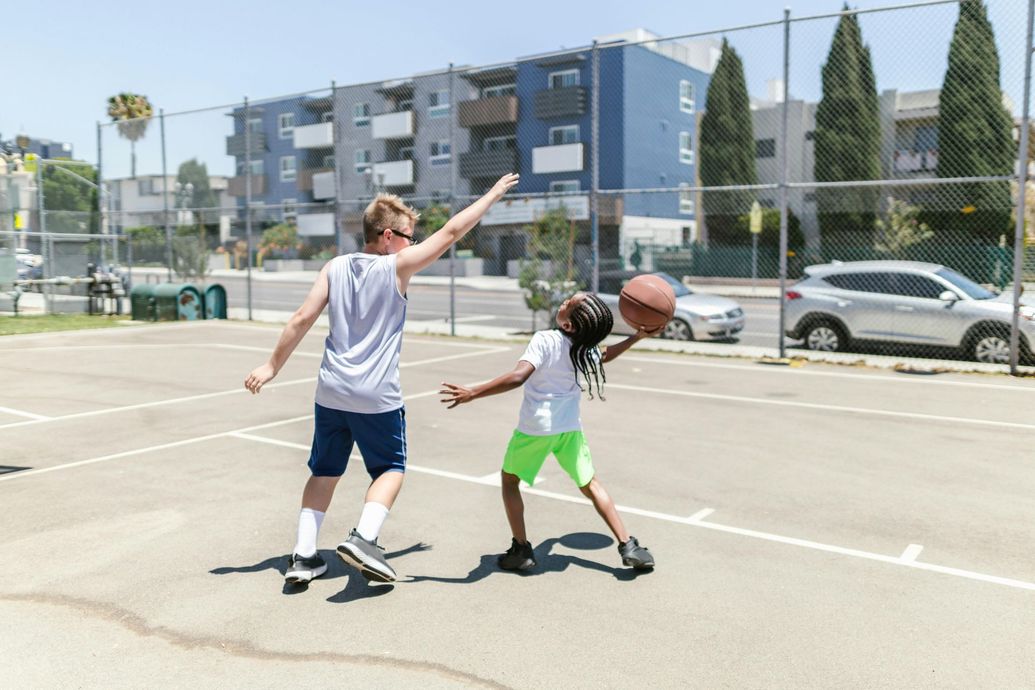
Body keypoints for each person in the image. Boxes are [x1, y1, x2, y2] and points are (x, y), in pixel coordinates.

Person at [245, 173, 520, 585]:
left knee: (324, 471)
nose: (414, 242)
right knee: (390, 468)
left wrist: (271, 367)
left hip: (332, 391)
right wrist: (493, 194)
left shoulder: (334, 266)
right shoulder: (397, 266)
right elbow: (452, 231)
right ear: (388, 236)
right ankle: (364, 538)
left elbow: (302, 318)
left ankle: (303, 557)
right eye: (410, 235)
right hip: (375, 394)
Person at [439, 292, 656, 572]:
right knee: (591, 484)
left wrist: (474, 392)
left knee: (509, 480)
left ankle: (521, 549)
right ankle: (629, 545)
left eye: (568, 304)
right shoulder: (582, 347)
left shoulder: (545, 339)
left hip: (535, 429)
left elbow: (519, 376)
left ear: (568, 325)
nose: (563, 302)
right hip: (569, 429)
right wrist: (636, 337)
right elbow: (604, 355)